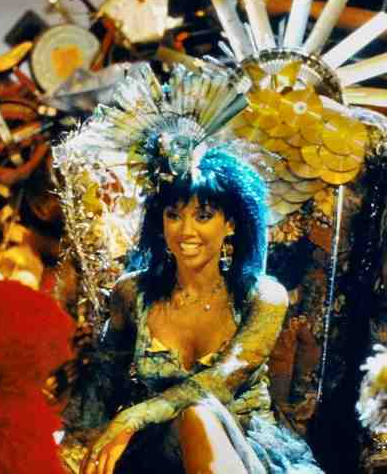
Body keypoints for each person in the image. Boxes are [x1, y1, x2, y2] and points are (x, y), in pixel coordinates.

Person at [79, 147, 323, 474]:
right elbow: (103, 386)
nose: (186, 231)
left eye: (203, 216)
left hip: (242, 451)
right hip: (156, 454)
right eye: (174, 215)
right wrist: (73, 442)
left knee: (198, 413)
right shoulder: (132, 293)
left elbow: (218, 384)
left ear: (231, 223)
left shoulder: (264, 297)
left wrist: (134, 417)